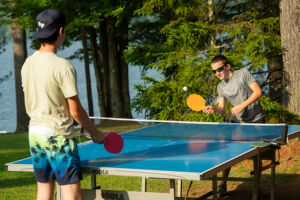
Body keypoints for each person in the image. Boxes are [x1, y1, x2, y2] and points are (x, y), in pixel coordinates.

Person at [21, 9, 105, 200]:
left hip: (35, 134)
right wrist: (94, 132)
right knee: (71, 194)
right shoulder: (63, 67)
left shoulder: (28, 64)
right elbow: (76, 111)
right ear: (61, 31)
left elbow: (30, 102)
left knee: (43, 191)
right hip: (58, 137)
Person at [203, 55, 265, 197]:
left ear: (227, 66)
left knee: (257, 155)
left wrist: (241, 105)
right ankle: (223, 185)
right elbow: (222, 108)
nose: (217, 73)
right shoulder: (220, 86)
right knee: (228, 154)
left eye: (219, 69)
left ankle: (257, 187)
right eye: (214, 71)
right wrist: (213, 108)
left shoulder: (243, 74)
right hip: (238, 123)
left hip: (256, 120)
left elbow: (258, 92)